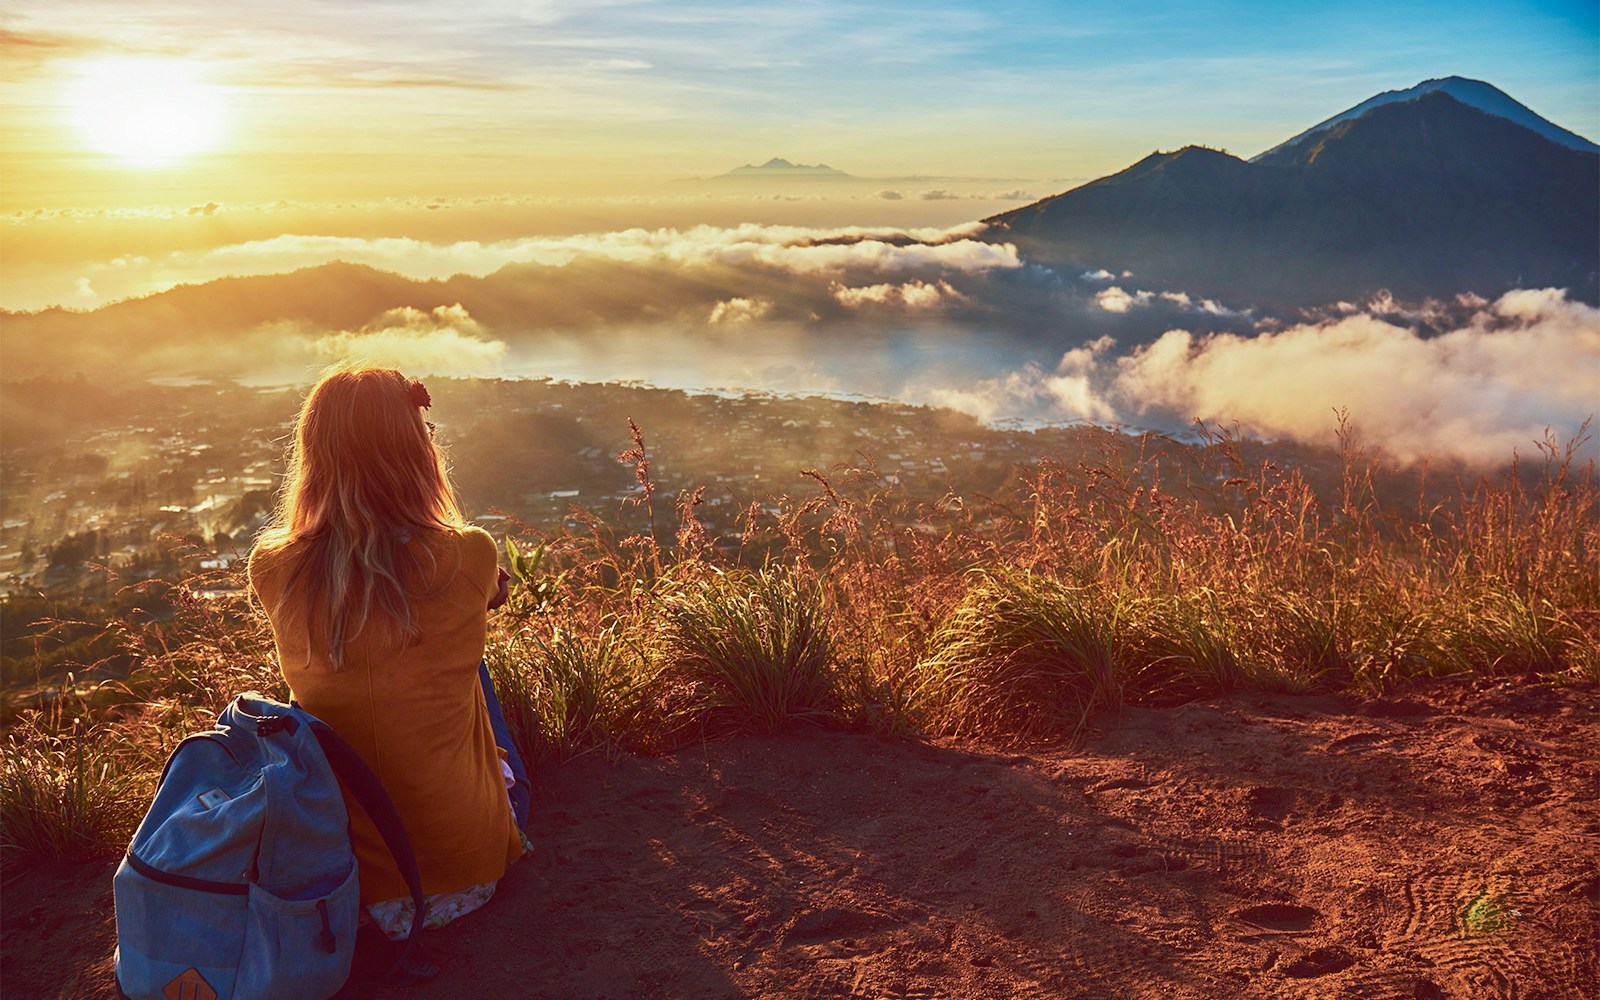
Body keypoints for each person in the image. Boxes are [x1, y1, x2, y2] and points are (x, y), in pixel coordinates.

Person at [247, 364, 526, 974]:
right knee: (469, 671)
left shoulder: (272, 567)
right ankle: (496, 808)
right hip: (468, 872)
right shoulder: (471, 553)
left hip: (349, 887)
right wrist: (484, 595)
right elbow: (456, 590)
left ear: (314, 454)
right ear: (417, 447)